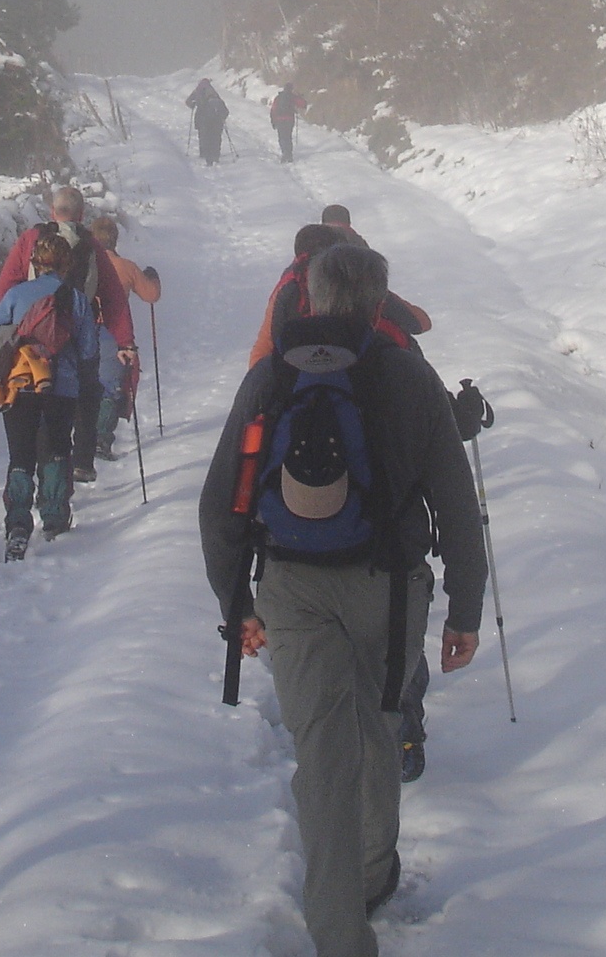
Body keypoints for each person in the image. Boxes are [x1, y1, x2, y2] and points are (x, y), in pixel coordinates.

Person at [199, 243, 484, 957]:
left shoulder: (272, 375)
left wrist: (237, 605)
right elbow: (456, 501)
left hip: (292, 588)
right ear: (379, 302)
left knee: (323, 755)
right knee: (379, 726)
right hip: (391, 590)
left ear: (313, 299)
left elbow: (219, 503)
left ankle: (338, 929)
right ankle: (372, 873)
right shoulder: (411, 376)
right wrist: (465, 610)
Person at [0, 187, 136, 481]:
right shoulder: (91, 245)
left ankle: (38, 468)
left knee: (37, 399)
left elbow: (5, 286)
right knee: (88, 393)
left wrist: (20, 321)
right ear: (81, 214)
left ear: (52, 211)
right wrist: (125, 342)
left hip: (33, 345)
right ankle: (82, 461)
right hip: (77, 336)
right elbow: (113, 296)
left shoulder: (30, 239)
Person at [0, 227, 100, 558]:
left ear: (35, 262)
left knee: (20, 455)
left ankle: (18, 525)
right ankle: (54, 517)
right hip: (62, 387)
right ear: (67, 263)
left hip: (20, 385)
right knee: (58, 450)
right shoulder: (75, 298)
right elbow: (88, 349)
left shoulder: (15, 295)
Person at [249, 219, 432, 369]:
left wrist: (262, 382)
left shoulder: (288, 285)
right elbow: (420, 323)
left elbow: (263, 349)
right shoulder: (360, 280)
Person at [93, 218, 160, 447]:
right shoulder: (125, 266)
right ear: (115, 239)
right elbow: (151, 295)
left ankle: (83, 439)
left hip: (84, 331)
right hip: (115, 333)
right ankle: (101, 439)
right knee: (112, 386)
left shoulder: (83, 264)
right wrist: (153, 277)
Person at [187, 77, 229, 164]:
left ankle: (204, 152)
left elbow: (188, 102)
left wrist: (193, 104)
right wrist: (222, 117)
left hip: (201, 116)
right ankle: (215, 153)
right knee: (215, 136)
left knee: (203, 135)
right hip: (216, 118)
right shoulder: (213, 92)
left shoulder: (197, 91)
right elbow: (221, 105)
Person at [271, 84, 307, 161]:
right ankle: (289, 154)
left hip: (279, 119)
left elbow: (273, 109)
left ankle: (284, 153)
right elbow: (303, 104)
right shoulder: (293, 97)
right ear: (291, 89)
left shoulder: (278, 98)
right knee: (288, 136)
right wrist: (300, 96)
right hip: (289, 119)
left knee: (282, 137)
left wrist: (273, 121)